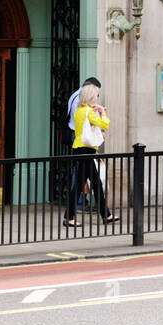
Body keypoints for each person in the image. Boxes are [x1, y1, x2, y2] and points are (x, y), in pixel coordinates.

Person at [64, 83, 116, 227]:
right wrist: (103, 112)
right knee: (83, 184)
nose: (97, 98)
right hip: (86, 150)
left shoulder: (79, 111)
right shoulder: (89, 112)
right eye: (96, 95)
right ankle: (69, 217)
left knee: (94, 183)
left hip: (80, 148)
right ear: (91, 96)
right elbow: (104, 125)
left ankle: (106, 215)